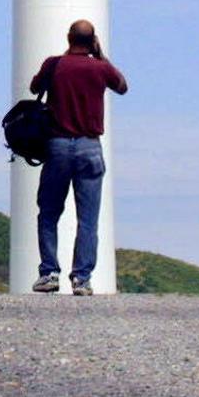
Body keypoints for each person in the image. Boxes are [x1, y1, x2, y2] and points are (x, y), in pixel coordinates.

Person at [29, 20, 128, 296]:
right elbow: (122, 86)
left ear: (68, 37)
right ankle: (81, 278)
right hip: (89, 147)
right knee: (88, 218)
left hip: (58, 145)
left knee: (49, 212)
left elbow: (34, 88)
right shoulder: (100, 68)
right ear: (93, 39)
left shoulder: (54, 64)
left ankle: (49, 272)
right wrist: (101, 56)